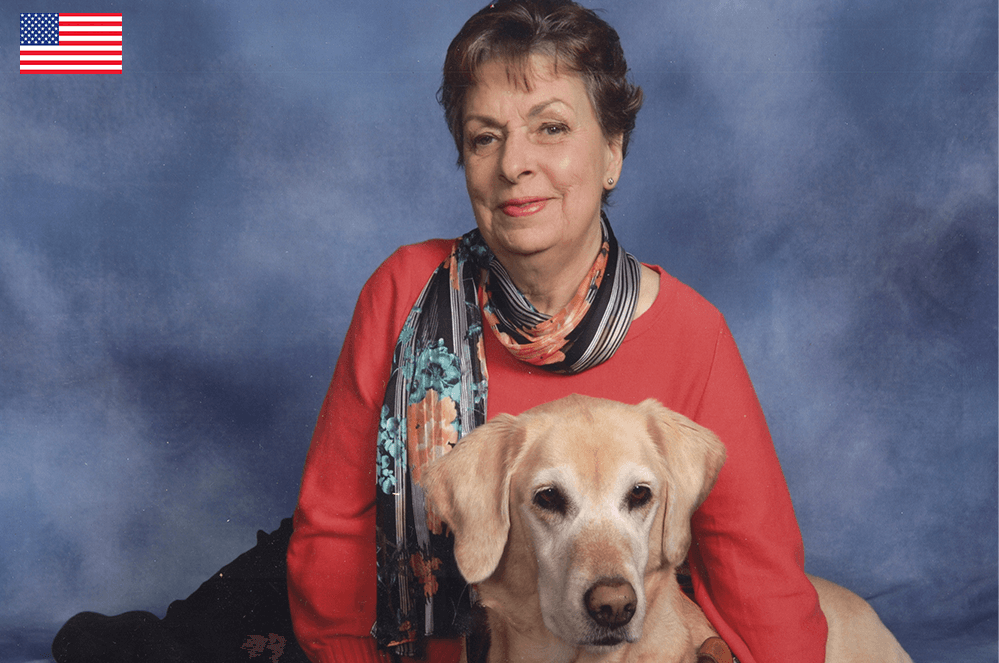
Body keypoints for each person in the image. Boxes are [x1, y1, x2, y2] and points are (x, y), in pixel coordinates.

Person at [285, 1, 829, 662]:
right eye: (486, 136)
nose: (514, 162)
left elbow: (758, 579)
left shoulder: (693, 333)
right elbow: (333, 534)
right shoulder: (402, 291)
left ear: (611, 154)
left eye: (549, 128)